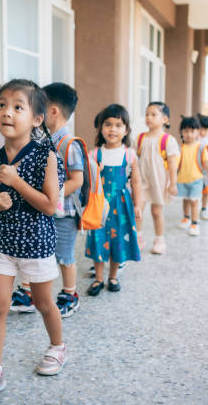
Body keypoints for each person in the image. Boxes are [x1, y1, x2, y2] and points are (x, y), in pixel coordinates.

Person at [0, 79, 66, 402]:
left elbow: (50, 206)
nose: (7, 112)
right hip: (2, 246)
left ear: (37, 119)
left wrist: (17, 183)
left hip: (37, 245)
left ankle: (57, 346)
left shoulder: (45, 156)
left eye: (17, 107)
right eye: (1, 105)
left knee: (43, 303)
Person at [8, 82, 83, 318]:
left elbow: (77, 180)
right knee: (36, 251)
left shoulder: (69, 144)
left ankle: (69, 294)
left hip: (64, 215)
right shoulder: (42, 141)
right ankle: (30, 293)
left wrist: (53, 196)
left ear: (52, 111)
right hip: (42, 212)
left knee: (65, 256)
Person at [85, 104, 142, 296]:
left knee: (118, 240)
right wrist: (96, 173)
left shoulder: (129, 154)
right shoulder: (94, 154)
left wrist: (137, 205)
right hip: (100, 204)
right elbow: (87, 182)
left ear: (126, 130)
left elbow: (136, 182)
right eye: (108, 124)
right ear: (101, 128)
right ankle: (99, 278)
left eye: (118, 125)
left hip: (122, 204)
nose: (113, 129)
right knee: (98, 239)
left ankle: (113, 276)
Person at [135, 102, 180, 255]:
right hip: (141, 180)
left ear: (164, 119)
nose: (149, 117)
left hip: (158, 181)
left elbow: (173, 163)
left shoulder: (168, 140)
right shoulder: (140, 138)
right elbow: (134, 160)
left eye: (154, 114)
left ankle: (159, 239)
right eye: (147, 114)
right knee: (138, 210)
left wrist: (173, 183)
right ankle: (138, 237)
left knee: (156, 211)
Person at [176, 116, 208, 236]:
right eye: (185, 131)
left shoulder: (200, 147)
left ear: (198, 132)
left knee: (194, 201)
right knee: (185, 200)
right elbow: (175, 164)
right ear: (181, 132)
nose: (188, 134)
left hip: (196, 180)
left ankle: (194, 223)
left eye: (192, 131)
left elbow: (207, 162)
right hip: (182, 179)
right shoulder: (180, 148)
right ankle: (186, 218)